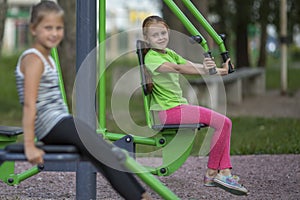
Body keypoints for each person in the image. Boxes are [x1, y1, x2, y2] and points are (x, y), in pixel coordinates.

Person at [15, 1, 152, 199]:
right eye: (48, 28)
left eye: (58, 28)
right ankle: (140, 196)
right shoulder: (33, 59)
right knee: (104, 153)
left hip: (59, 121)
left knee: (107, 153)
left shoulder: (46, 58)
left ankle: (141, 194)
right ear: (34, 29)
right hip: (50, 125)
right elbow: (29, 104)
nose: (54, 33)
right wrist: (29, 145)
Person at [142, 15, 248, 195]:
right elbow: (178, 69)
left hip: (177, 108)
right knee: (224, 123)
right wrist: (205, 69)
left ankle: (222, 172)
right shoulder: (151, 58)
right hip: (168, 112)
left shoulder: (169, 53)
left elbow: (192, 65)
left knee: (224, 123)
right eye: (155, 35)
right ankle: (215, 173)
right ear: (147, 39)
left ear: (168, 33)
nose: (160, 38)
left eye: (163, 33)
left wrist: (220, 70)